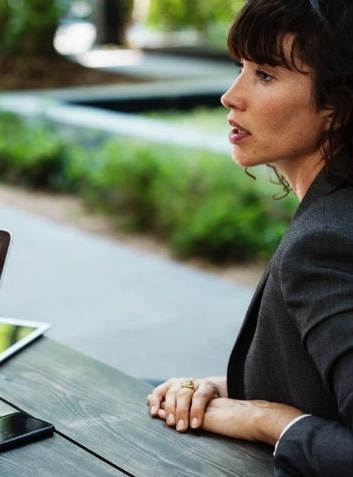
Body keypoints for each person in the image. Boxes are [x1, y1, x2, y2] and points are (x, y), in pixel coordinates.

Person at [146, 0, 353, 475]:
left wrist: (267, 421)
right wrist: (222, 389)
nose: (230, 96)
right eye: (241, 67)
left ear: (337, 106)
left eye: (264, 75)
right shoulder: (335, 212)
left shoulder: (323, 245)